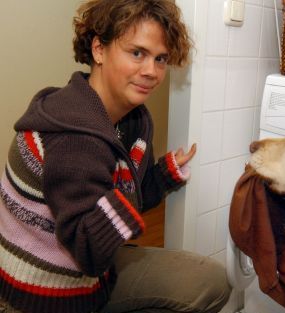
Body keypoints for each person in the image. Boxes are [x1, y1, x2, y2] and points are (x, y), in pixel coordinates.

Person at [0, 0, 231, 312]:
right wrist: (119, 194)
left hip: (93, 276)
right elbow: (90, 250)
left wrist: (162, 175)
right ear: (98, 50)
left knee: (212, 280)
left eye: (160, 58)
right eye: (137, 53)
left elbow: (131, 198)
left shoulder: (132, 122)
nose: (151, 71)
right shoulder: (74, 138)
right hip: (44, 294)